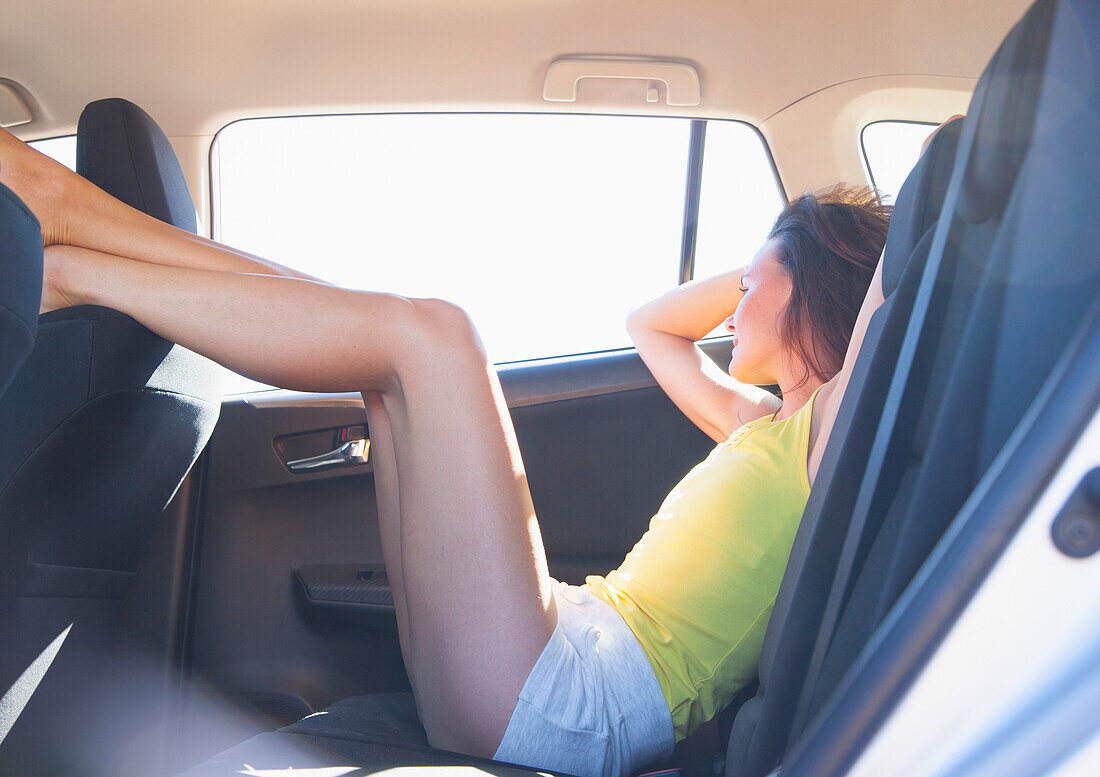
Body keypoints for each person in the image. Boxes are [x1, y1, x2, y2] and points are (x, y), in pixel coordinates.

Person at [0, 128, 892, 777]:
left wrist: (806, 242)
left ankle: (75, 257)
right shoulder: (761, 423)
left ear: (818, 286)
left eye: (752, 279)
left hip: (579, 708)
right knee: (387, 358)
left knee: (436, 334)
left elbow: (895, 295)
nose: (734, 298)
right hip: (547, 665)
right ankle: (80, 229)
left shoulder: (834, 432)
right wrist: (777, 255)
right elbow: (650, 328)